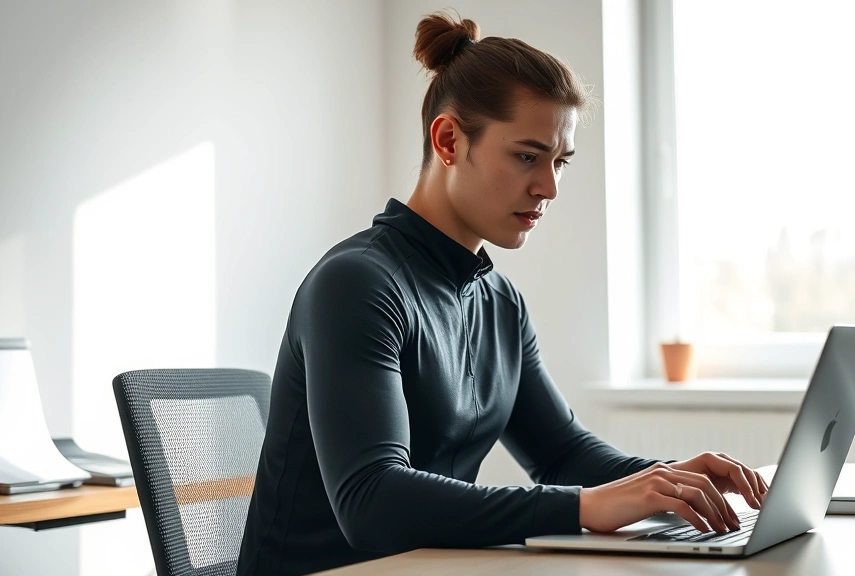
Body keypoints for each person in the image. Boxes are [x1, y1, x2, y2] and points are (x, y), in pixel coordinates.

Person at [236, 11, 768, 576]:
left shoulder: (499, 302)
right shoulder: (357, 285)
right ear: (448, 140)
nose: (550, 187)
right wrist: (585, 508)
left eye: (559, 161)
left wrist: (672, 481)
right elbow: (371, 501)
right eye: (527, 156)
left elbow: (562, 453)